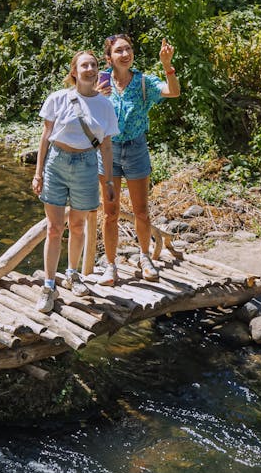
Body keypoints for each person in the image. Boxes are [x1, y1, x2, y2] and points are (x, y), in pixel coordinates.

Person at [31, 51, 119, 312]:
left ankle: (72, 275)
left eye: (93, 65)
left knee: (78, 226)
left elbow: (106, 146)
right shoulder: (58, 99)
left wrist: (110, 182)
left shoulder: (105, 105)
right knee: (55, 228)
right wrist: (38, 172)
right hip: (56, 163)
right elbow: (45, 137)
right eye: (84, 65)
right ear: (74, 71)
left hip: (86, 165)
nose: (90, 69)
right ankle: (48, 286)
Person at [95, 34, 180, 284]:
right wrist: (94, 97)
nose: (125, 54)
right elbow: (81, 109)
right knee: (110, 213)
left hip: (136, 150)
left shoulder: (143, 82)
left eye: (128, 49)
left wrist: (167, 65)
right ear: (109, 58)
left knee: (141, 212)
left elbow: (173, 92)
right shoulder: (100, 81)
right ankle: (111, 266)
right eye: (119, 51)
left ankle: (145, 257)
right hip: (108, 152)